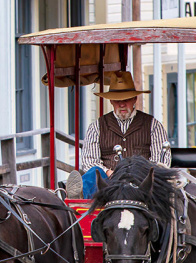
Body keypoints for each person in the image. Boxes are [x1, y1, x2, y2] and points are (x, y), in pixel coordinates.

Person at [66, 71, 170, 199]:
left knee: (158, 179)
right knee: (93, 174)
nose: (121, 104)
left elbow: (161, 161)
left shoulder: (153, 125)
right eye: (117, 100)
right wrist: (109, 173)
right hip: (109, 183)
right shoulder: (96, 126)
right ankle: (78, 200)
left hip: (141, 185)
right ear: (111, 101)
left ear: (134, 99)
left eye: (126, 100)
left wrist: (140, 175)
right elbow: (89, 162)